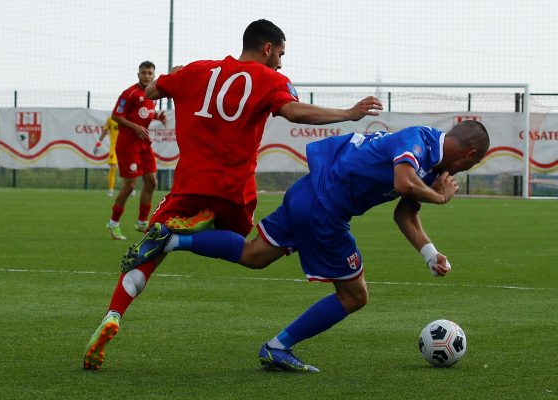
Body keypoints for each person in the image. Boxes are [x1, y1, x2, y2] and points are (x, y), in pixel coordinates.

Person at [83, 19, 383, 370]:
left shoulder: (195, 70)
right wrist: (348, 113)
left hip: (189, 184)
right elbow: (293, 111)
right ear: (267, 48)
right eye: (281, 54)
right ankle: (183, 236)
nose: (282, 63)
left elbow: (151, 93)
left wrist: (173, 75)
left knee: (151, 251)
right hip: (235, 192)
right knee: (248, 252)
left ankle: (114, 313)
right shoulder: (272, 80)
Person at [118, 120, 490, 372]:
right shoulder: (420, 140)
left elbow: (405, 214)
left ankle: (172, 239)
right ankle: (278, 347)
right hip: (326, 211)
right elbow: (404, 181)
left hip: (306, 194)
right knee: (354, 297)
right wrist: (442, 198)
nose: (458, 176)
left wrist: (430, 254)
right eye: (468, 169)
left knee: (254, 255)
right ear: (469, 156)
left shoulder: (429, 164)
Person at [105, 61, 166, 240]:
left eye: (150, 73)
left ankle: (141, 222)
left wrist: (157, 116)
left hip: (144, 144)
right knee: (130, 185)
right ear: (138, 74)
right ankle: (113, 223)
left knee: (152, 182)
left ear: (154, 75)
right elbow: (116, 115)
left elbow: (143, 112)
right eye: (144, 73)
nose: (147, 76)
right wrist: (136, 127)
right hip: (128, 145)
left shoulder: (152, 94)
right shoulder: (129, 93)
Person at [94, 115, 124, 197]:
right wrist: (98, 144)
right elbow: (104, 131)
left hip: (125, 147)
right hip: (114, 147)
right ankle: (111, 190)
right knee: (113, 168)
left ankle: (129, 188)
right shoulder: (110, 119)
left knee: (127, 168)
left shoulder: (127, 118)